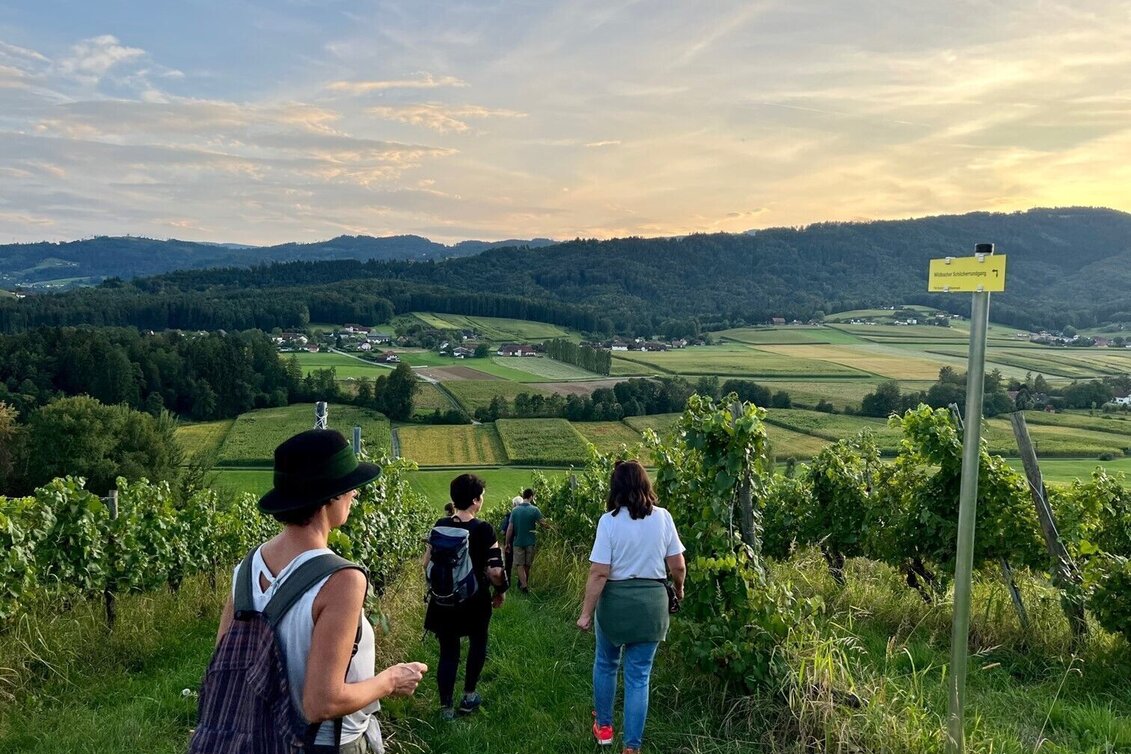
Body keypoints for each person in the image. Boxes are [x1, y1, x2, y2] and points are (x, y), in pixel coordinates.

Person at [202, 429, 427, 754]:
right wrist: (391, 680)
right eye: (349, 487)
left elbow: (223, 666)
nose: (355, 495)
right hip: (324, 745)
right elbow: (321, 703)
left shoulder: (246, 568)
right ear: (329, 497)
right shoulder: (342, 580)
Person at [576, 460, 686, 754]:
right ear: (645, 484)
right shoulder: (664, 518)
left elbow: (599, 572)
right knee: (639, 676)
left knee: (606, 664)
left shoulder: (609, 521)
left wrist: (586, 613)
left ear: (616, 488)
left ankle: (604, 729)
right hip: (652, 605)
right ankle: (632, 747)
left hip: (616, 604)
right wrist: (679, 590)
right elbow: (677, 566)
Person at [423, 473, 508, 720]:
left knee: (448, 652)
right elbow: (494, 570)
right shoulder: (483, 529)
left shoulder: (439, 525)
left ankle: (446, 707)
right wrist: (500, 591)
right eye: (481, 496)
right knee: (477, 644)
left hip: (444, 599)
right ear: (474, 500)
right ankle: (469, 697)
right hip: (474, 600)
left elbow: (426, 562)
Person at [505, 488, 546, 592]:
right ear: (531, 496)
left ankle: (523, 584)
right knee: (527, 564)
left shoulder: (515, 510)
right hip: (530, 542)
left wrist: (507, 543)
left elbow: (510, 528)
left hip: (518, 541)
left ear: (523, 496)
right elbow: (543, 523)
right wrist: (554, 527)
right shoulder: (535, 510)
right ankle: (524, 584)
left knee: (519, 564)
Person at [499, 495, 523, 587]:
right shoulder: (524, 516)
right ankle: (521, 583)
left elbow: (503, 531)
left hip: (510, 542)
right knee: (521, 564)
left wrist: (506, 542)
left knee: (508, 563)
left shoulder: (510, 516)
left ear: (514, 505)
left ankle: (507, 582)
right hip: (521, 541)